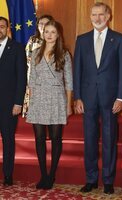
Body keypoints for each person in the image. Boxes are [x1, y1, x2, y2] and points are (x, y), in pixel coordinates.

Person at [73, 2, 122, 195]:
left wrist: (121, 98)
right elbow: (77, 70)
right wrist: (77, 97)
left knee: (109, 139)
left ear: (108, 15)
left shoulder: (120, 40)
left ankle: (108, 180)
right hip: (87, 98)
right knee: (89, 139)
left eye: (101, 14)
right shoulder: (81, 40)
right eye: (94, 15)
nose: (97, 18)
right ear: (90, 17)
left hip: (111, 98)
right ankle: (91, 179)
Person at [26, 20, 73, 189]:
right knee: (39, 138)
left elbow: (69, 81)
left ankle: (52, 174)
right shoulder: (36, 53)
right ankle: (43, 174)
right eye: (47, 31)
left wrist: (68, 104)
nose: (49, 35)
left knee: (55, 138)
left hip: (56, 98)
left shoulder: (64, 53)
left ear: (58, 34)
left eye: (53, 32)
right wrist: (31, 102)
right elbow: (31, 80)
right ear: (43, 33)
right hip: (38, 98)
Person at [0, 16, 27, 186]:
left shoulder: (17, 48)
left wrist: (18, 102)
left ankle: (8, 175)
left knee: (8, 139)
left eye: (2, 26)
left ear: (8, 28)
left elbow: (21, 78)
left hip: (8, 104)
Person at [22, 15, 54, 117]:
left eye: (46, 24)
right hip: (34, 78)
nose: (43, 26)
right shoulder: (32, 40)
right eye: (41, 24)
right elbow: (27, 59)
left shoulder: (55, 41)